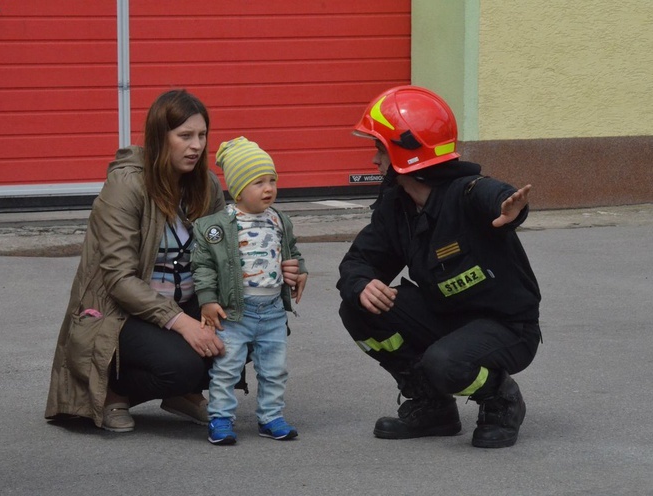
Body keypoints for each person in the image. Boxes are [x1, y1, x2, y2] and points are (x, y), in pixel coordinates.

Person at [44, 90, 305, 433]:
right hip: (122, 312)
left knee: (256, 321)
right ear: (158, 138)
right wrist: (185, 324)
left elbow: (229, 254)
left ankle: (182, 393)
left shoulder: (206, 184)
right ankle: (115, 393)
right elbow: (118, 279)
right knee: (180, 364)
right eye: (184, 136)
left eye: (201, 135)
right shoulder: (126, 186)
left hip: (185, 301)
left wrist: (284, 267)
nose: (195, 146)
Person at [337, 85, 542, 449]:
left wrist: (511, 211)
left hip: (507, 327)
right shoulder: (397, 206)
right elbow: (360, 260)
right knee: (359, 308)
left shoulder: (466, 193)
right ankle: (433, 407)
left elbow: (495, 195)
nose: (374, 161)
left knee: (445, 363)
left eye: (379, 149)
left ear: (402, 153)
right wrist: (362, 283)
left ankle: (500, 398)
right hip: (448, 317)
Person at [191, 137, 308, 445]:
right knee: (226, 369)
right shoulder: (220, 225)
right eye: (258, 182)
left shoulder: (279, 219)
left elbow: (292, 251)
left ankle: (271, 417)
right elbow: (203, 266)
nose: (268, 188)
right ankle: (220, 418)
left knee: (274, 369)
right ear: (239, 188)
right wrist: (207, 301)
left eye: (272, 180)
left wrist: (301, 270)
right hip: (235, 312)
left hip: (271, 312)